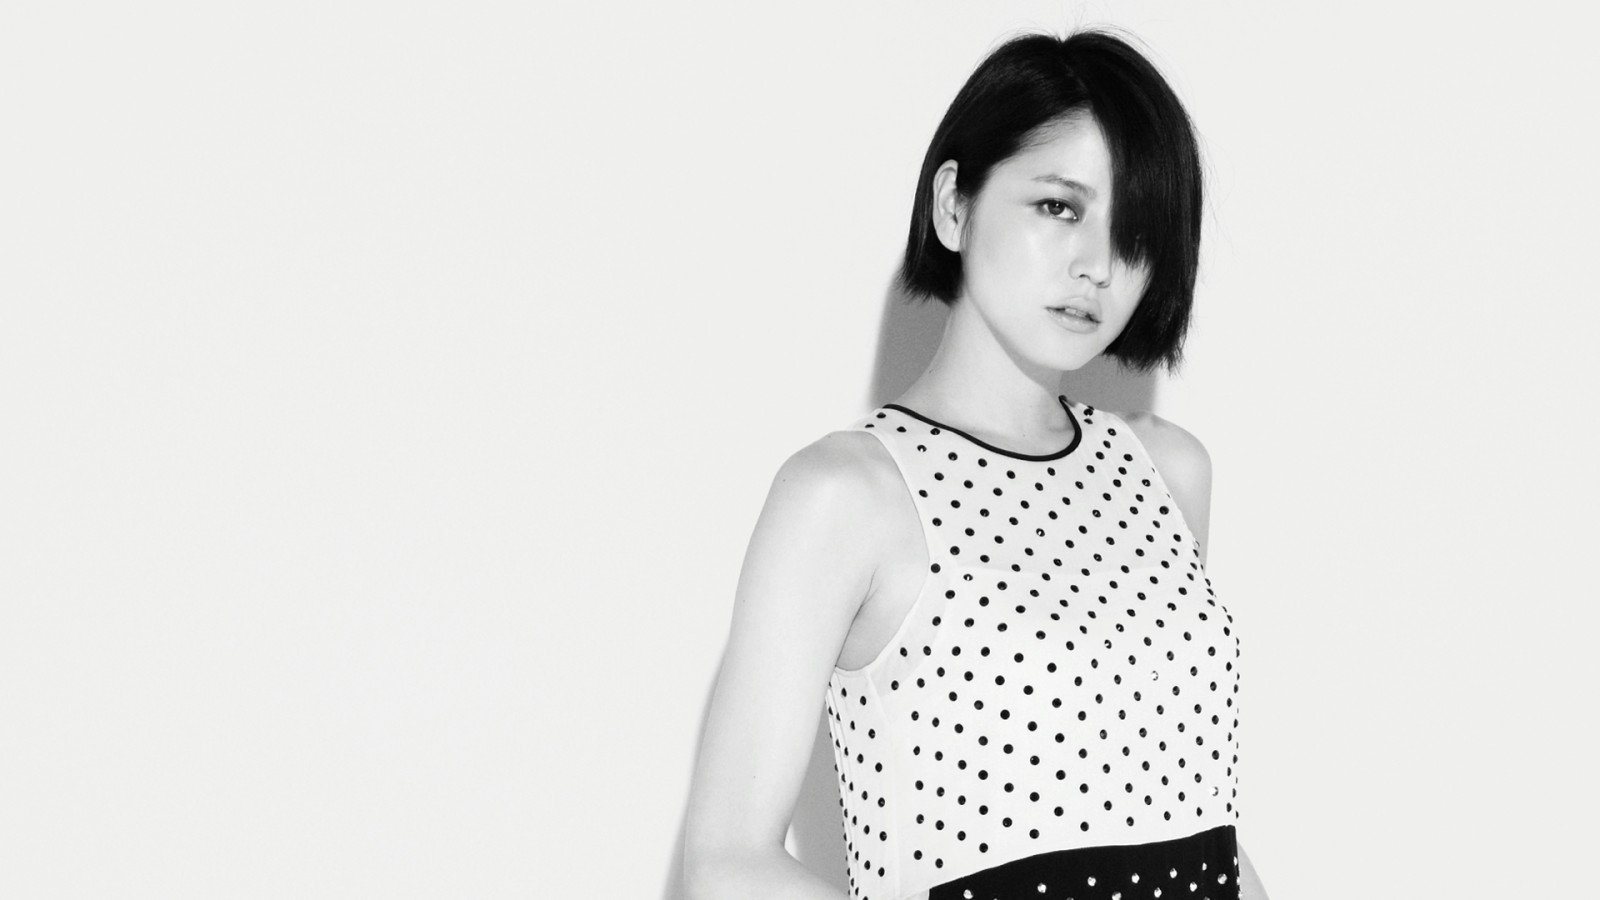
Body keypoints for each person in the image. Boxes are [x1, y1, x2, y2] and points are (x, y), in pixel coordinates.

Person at [683, 29, 1269, 900]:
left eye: (1135, 231)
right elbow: (726, 863)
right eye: (1059, 207)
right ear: (954, 205)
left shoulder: (1168, 471)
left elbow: (1192, 821)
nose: (1097, 265)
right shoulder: (847, 495)